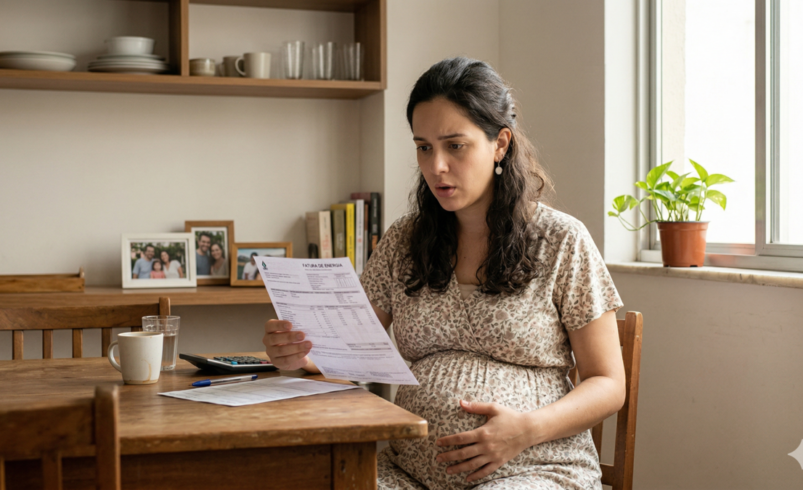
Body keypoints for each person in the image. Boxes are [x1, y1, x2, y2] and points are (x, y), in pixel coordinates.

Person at [263, 58, 626, 490]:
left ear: (500, 144)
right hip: (408, 472)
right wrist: (304, 358)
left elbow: (609, 383)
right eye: (423, 146)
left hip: (537, 466)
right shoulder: (404, 241)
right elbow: (350, 354)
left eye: (455, 145)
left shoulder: (562, 241)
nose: (436, 166)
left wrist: (527, 429)